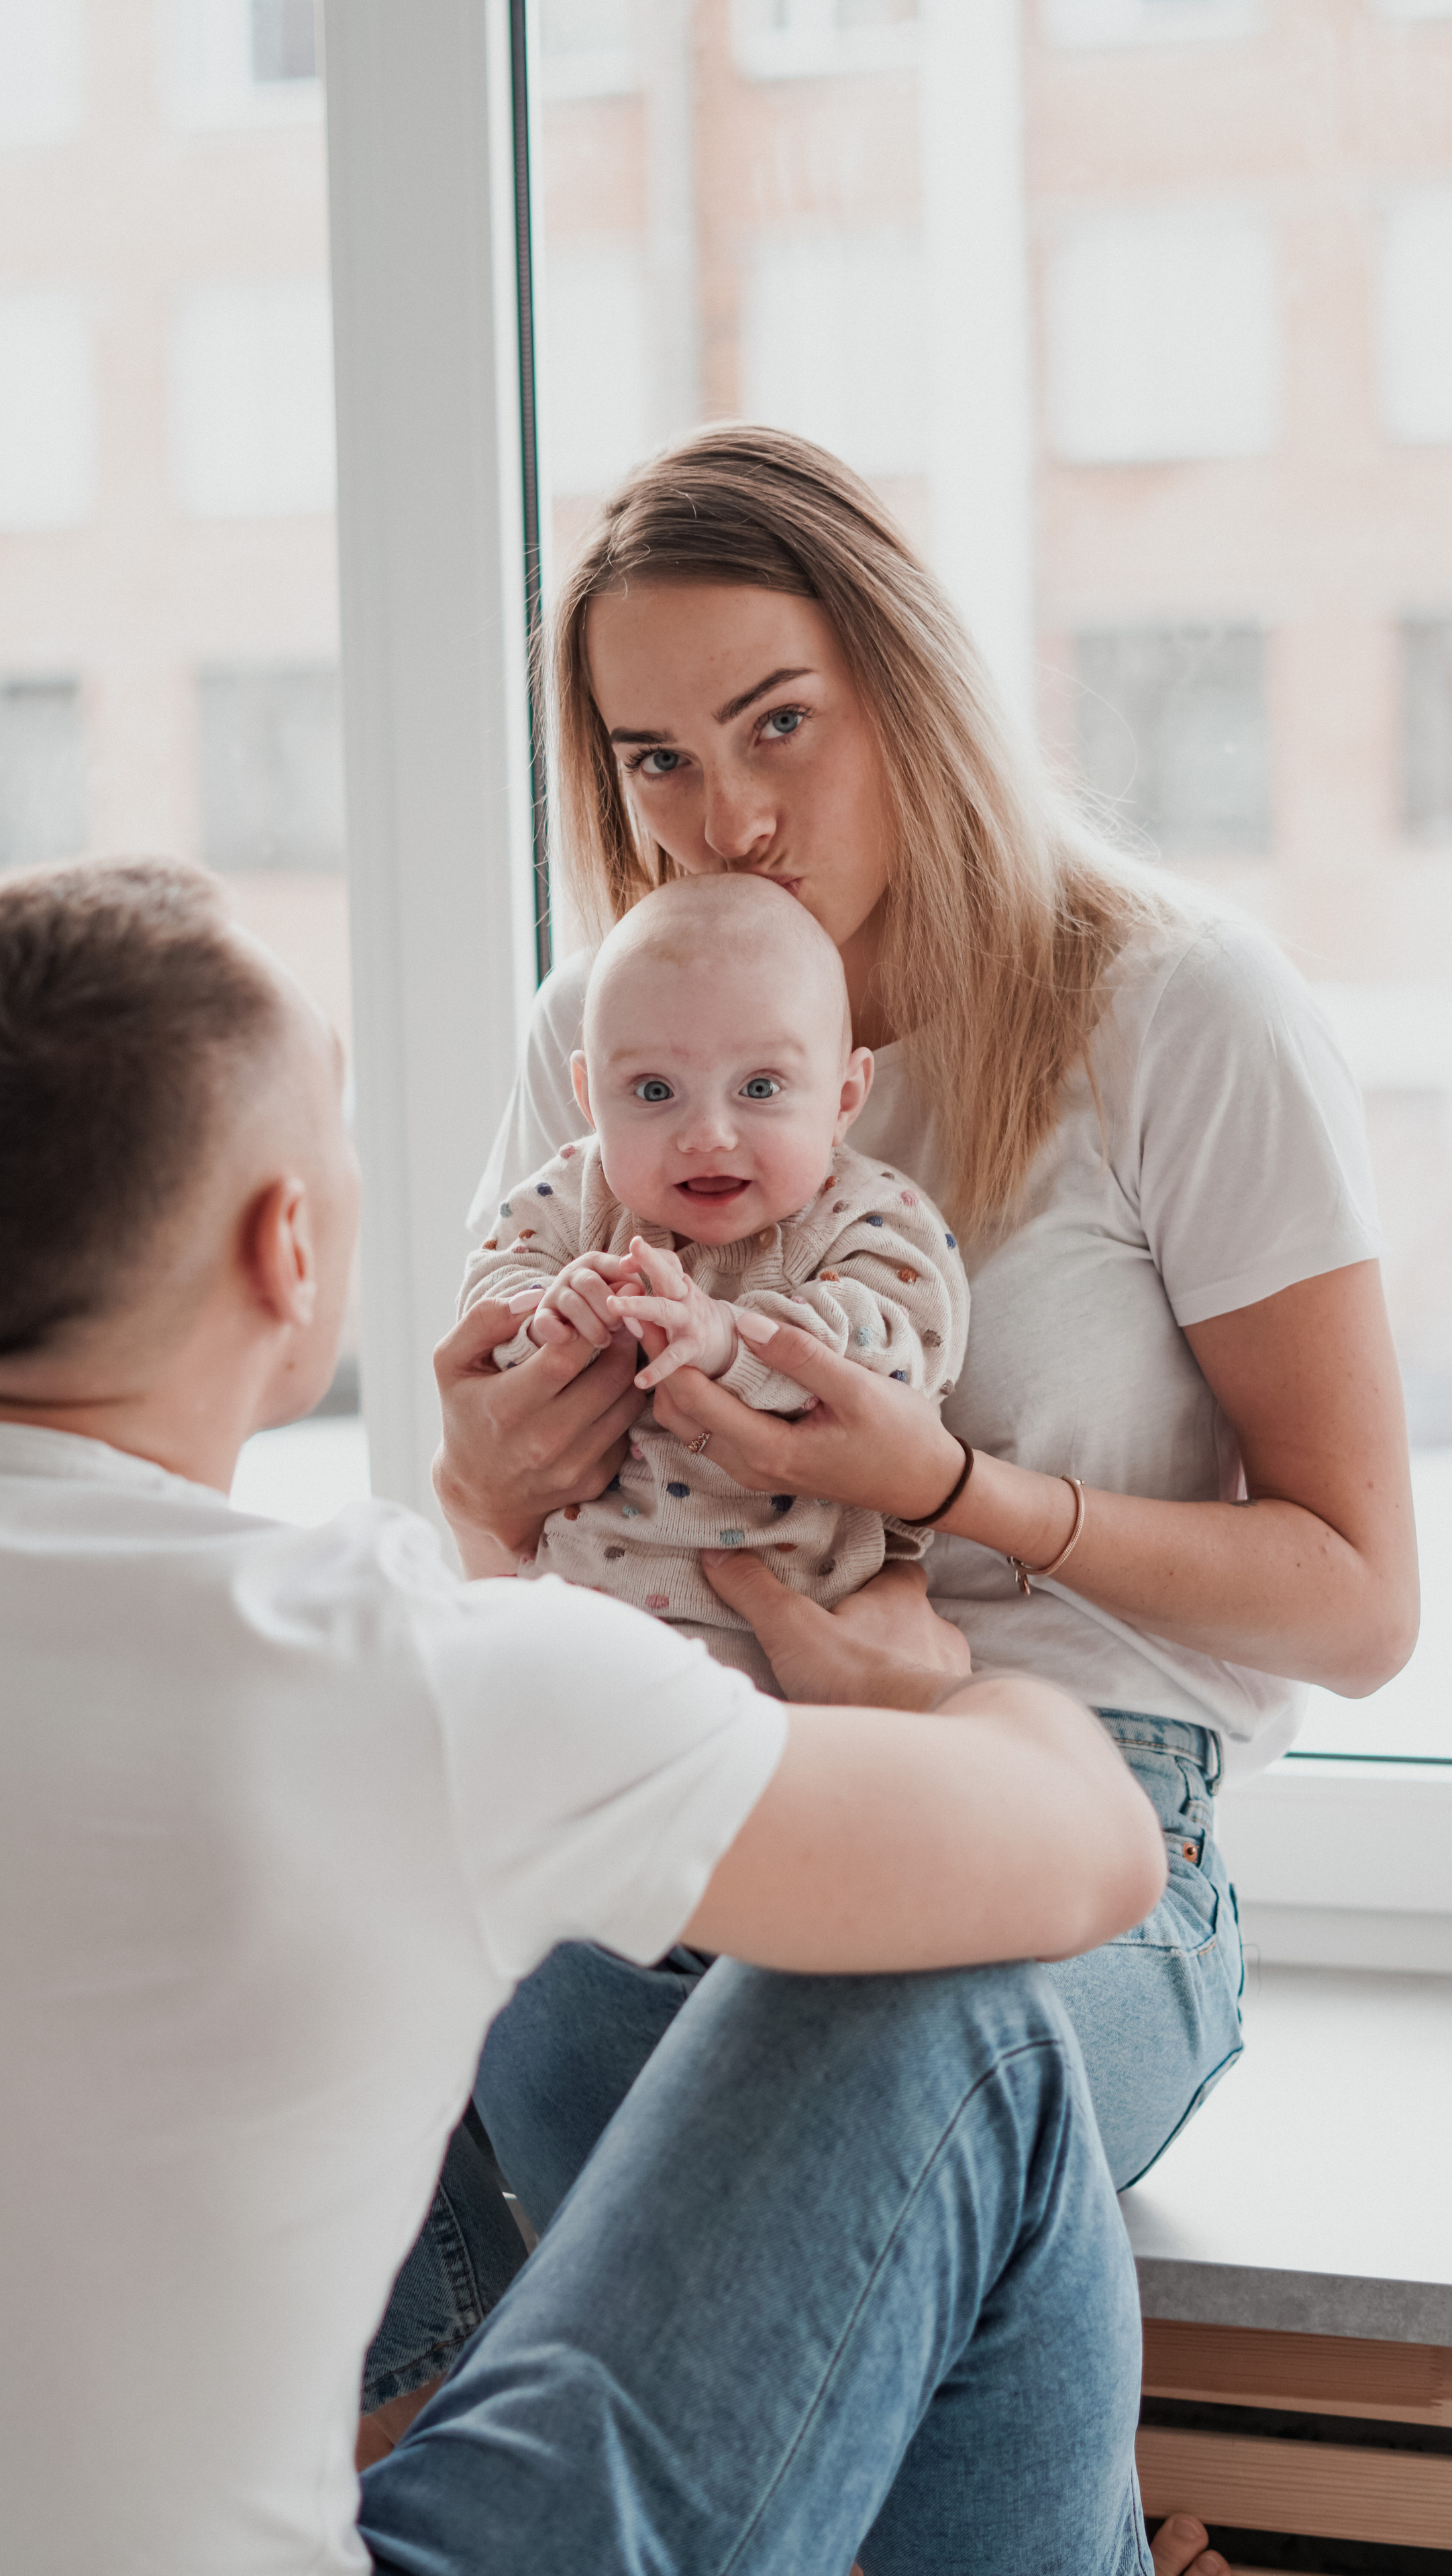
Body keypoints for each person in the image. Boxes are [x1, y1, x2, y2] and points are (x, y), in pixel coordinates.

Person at [0, 857, 1203, 2574]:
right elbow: (1094, 1851)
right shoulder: (395, 1672)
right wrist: (936, 1686)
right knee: (957, 2017)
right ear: (287, 1245)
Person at [433, 425, 1418, 2284]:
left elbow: (1362, 1605)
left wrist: (952, 1494)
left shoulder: (1174, 1011)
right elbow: (491, 1539)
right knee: (509, 2031)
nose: (726, 820)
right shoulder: (608, 1030)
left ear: (904, 682)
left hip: (1087, 1823)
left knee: (839, 2073)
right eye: (658, 758)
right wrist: (482, 1481)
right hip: (699, 1765)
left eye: (777, 723)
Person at [458, 871, 968, 1686]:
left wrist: (732, 1341)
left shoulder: (865, 1215)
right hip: (581, 1631)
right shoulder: (577, 1193)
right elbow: (493, 1287)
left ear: (843, 1097)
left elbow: (899, 1353)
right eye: (653, 1091)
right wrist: (548, 1317)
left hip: (793, 1646)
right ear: (589, 1096)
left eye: (760, 1088)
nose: (706, 1134)